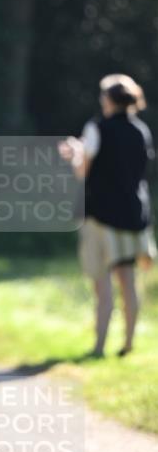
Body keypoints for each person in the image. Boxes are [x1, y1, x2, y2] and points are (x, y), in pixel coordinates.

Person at [59, 74, 156, 357]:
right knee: (128, 280)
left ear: (110, 100)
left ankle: (99, 346)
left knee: (102, 284)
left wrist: (75, 153)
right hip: (133, 215)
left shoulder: (96, 128)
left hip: (100, 216)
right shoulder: (141, 130)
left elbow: (82, 171)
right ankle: (128, 344)